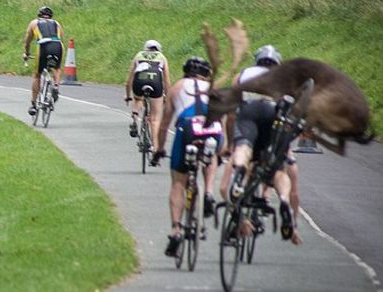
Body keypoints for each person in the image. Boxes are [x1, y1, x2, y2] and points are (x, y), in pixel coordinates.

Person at [221, 44, 302, 245]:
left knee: (244, 151)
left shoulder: (244, 74)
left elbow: (231, 113)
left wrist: (231, 143)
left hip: (249, 112)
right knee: (279, 170)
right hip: (272, 116)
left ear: (257, 61)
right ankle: (282, 199)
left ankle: (239, 175)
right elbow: (293, 115)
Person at [155, 56, 222, 257]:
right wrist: (224, 148)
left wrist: (159, 149)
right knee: (212, 156)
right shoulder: (214, 89)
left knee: (178, 183)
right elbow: (224, 120)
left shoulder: (177, 87)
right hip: (212, 128)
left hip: (187, 127)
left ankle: (176, 230)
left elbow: (165, 123)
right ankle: (209, 191)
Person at [124, 40, 171, 151]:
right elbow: (167, 81)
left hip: (139, 83)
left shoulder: (139, 55)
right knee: (154, 119)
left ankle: (135, 119)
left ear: (145, 48)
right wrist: (167, 98)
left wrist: (127, 96)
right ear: (158, 49)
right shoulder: (162, 57)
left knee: (138, 99)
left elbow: (128, 81)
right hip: (156, 84)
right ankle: (155, 148)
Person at [23, 6, 64, 116]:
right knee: (57, 67)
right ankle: (55, 86)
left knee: (37, 74)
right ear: (51, 16)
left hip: (43, 45)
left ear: (39, 15)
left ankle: (33, 104)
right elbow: (61, 37)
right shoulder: (57, 23)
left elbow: (27, 41)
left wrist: (26, 53)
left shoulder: (34, 23)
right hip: (57, 45)